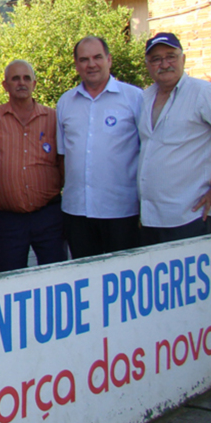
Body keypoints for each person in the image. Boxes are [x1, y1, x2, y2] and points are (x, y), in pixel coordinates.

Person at [138, 33, 211, 243]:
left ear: (183, 59)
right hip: (152, 220)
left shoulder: (203, 93)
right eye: (156, 59)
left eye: (171, 56)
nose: (164, 64)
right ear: (148, 65)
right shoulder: (145, 98)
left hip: (192, 216)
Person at [56, 36, 143, 258]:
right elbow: (62, 156)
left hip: (122, 211)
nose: (91, 64)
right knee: (84, 280)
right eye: (84, 59)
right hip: (77, 212)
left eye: (97, 57)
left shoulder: (134, 97)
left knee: (124, 279)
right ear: (76, 65)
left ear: (109, 60)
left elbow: (147, 152)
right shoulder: (66, 102)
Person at [0, 60, 66, 272]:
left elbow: (63, 161)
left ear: (35, 84)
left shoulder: (53, 118)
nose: (21, 83)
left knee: (56, 277)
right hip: (9, 220)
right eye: (15, 78)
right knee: (10, 280)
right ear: (4, 85)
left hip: (49, 215)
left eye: (27, 78)